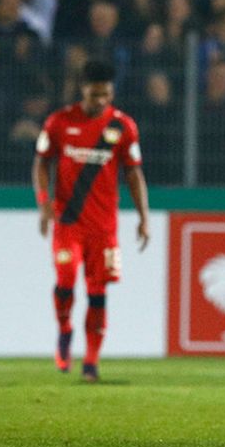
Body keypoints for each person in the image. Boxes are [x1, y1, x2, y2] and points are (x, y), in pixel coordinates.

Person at [32, 59, 150, 382]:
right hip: (68, 222)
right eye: (95, 94)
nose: (100, 101)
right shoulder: (59, 122)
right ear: (82, 89)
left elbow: (134, 173)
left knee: (98, 292)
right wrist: (43, 204)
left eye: (106, 95)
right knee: (66, 280)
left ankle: (91, 362)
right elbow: (41, 163)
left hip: (104, 228)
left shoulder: (123, 127)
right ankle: (65, 329)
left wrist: (144, 218)